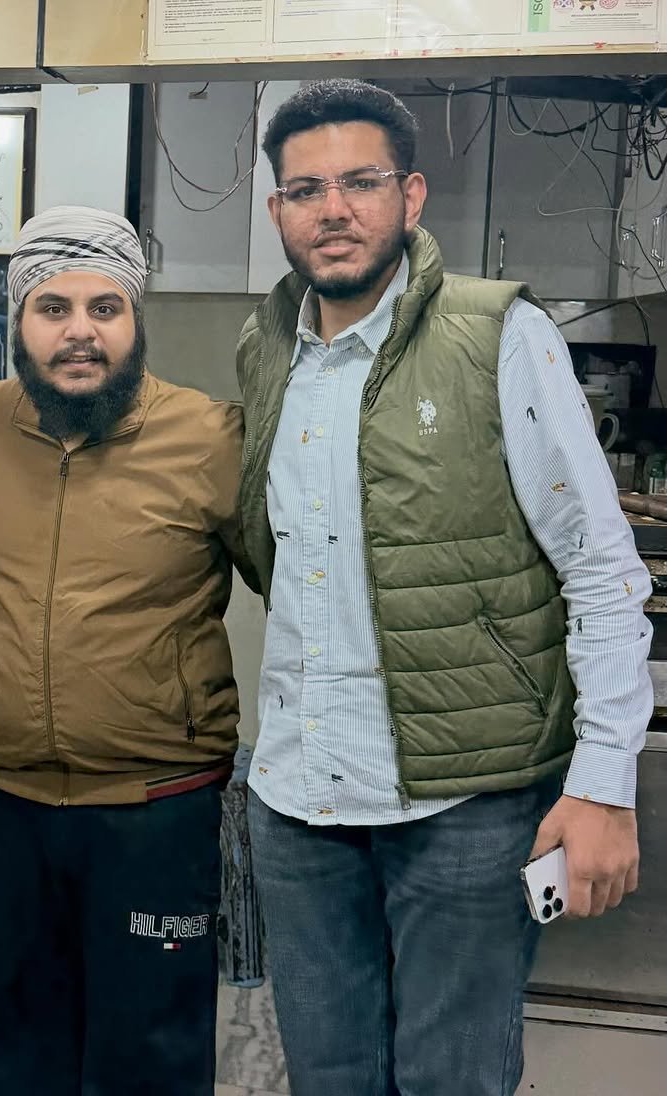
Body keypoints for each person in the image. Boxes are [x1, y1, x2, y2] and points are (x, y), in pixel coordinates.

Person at [236, 79, 652, 1096]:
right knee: (328, 1080)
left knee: (452, 1081)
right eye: (306, 189)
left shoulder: (499, 338)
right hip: (298, 800)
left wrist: (603, 783)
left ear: (411, 197)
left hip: (465, 808)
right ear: (277, 210)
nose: (333, 209)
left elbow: (600, 567)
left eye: (361, 182)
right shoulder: (265, 354)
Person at [0, 205, 253, 1095]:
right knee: (16, 1053)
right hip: (3, 807)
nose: (80, 332)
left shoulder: (210, 438)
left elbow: (304, 583)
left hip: (155, 810)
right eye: (53, 309)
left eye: (105, 308)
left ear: (136, 320)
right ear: (17, 325)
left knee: (150, 1060)